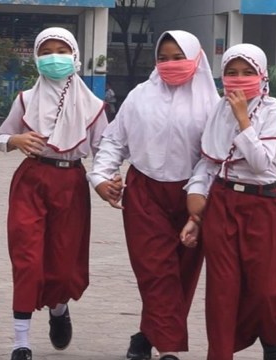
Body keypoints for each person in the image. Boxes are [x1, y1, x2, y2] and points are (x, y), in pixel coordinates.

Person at [88, 30, 219, 360]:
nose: (171, 64)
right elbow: (114, 140)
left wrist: (198, 200)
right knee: (155, 271)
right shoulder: (139, 97)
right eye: (163, 58)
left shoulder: (213, 106)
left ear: (196, 58)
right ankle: (170, 352)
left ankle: (145, 338)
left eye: (179, 57)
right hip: (145, 194)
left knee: (182, 275)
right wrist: (100, 178)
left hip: (194, 195)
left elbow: (214, 157)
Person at [0, 27, 107, 360]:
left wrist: (107, 179)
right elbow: (1, 137)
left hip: (71, 184)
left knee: (61, 264)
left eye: (61, 50)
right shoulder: (26, 99)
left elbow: (105, 150)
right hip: (31, 181)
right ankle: (21, 342)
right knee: (27, 258)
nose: (53, 57)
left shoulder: (94, 106)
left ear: (75, 56)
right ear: (36, 59)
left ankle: (58, 308)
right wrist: (15, 141)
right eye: (45, 51)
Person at [180, 43, 276, 360]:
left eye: (247, 72)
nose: (239, 79)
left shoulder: (273, 109)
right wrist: (196, 207)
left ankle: (272, 341)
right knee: (222, 289)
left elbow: (261, 164)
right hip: (223, 203)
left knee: (268, 289)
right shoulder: (218, 110)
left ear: (261, 74)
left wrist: (244, 120)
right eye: (232, 73)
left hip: (262, 205)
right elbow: (209, 162)